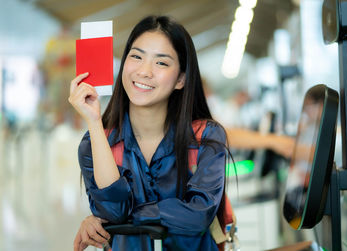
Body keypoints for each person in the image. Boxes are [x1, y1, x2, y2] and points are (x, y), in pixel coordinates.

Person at [69, 15, 230, 251]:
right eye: (136, 56)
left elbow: (198, 216)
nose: (144, 71)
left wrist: (130, 216)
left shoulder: (205, 137)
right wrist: (94, 122)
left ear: (181, 79)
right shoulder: (94, 143)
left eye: (161, 63)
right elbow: (113, 212)